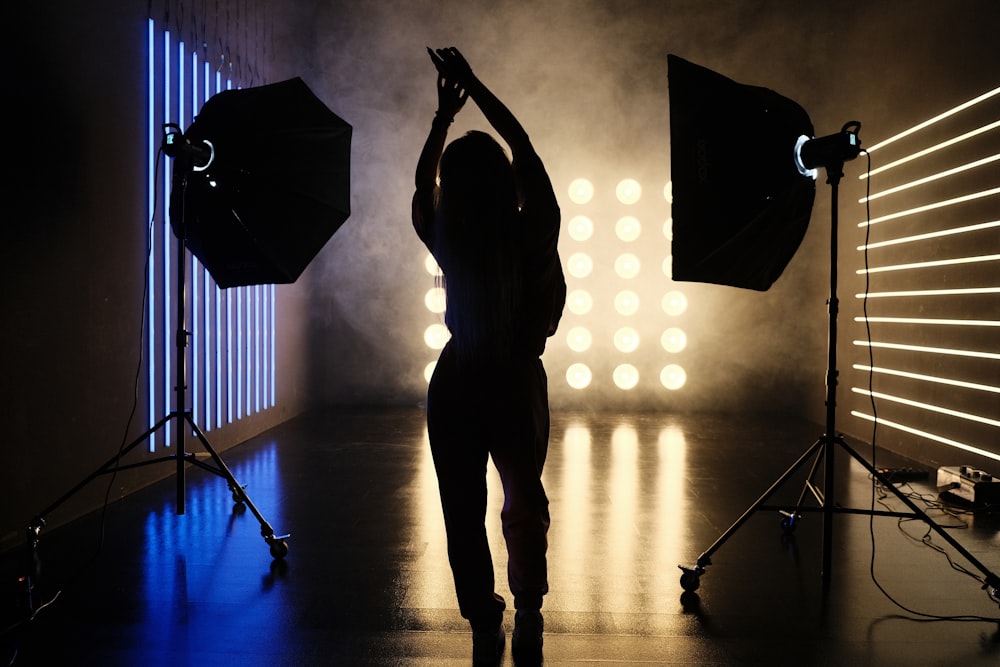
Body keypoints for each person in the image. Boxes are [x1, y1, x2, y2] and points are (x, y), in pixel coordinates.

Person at [412, 46, 565, 665]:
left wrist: (442, 118)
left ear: (455, 187)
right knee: (523, 502)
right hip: (511, 380)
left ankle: (484, 617)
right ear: (506, 183)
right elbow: (524, 144)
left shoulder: (448, 233)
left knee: (462, 509)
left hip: (459, 379)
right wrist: (473, 87)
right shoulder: (534, 229)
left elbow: (423, 184)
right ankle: (526, 610)